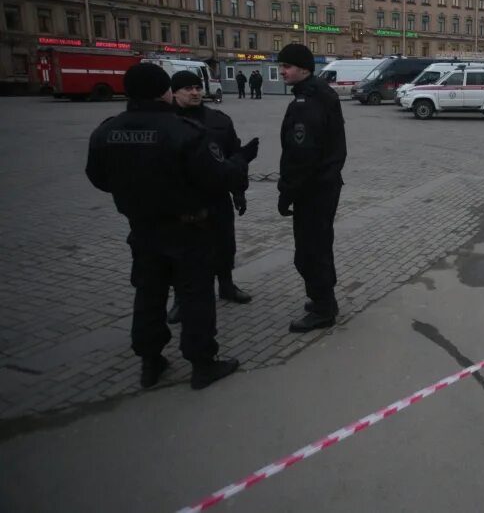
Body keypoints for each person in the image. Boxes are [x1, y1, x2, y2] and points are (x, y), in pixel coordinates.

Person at [85, 63, 259, 390]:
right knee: (196, 297)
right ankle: (202, 363)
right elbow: (219, 176)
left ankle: (150, 361)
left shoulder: (106, 131)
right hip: (188, 230)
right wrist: (242, 159)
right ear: (166, 91)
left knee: (148, 295)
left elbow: (98, 178)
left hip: (143, 229)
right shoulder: (184, 132)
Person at [166, 71, 253, 325]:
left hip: (217, 197)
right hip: (183, 201)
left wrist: (239, 191)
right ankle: (181, 299)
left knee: (224, 244)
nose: (194, 93)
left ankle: (226, 285)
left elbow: (234, 156)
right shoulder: (167, 121)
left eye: (197, 87)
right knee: (182, 252)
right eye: (187, 89)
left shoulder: (219, 121)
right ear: (174, 92)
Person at [276, 44, 348, 333]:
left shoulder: (307, 102)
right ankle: (324, 299)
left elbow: (301, 155)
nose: (283, 71)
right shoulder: (320, 93)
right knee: (319, 245)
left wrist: (287, 192)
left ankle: (323, 308)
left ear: (304, 68)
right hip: (324, 185)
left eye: (288, 66)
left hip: (313, 189)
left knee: (309, 251)